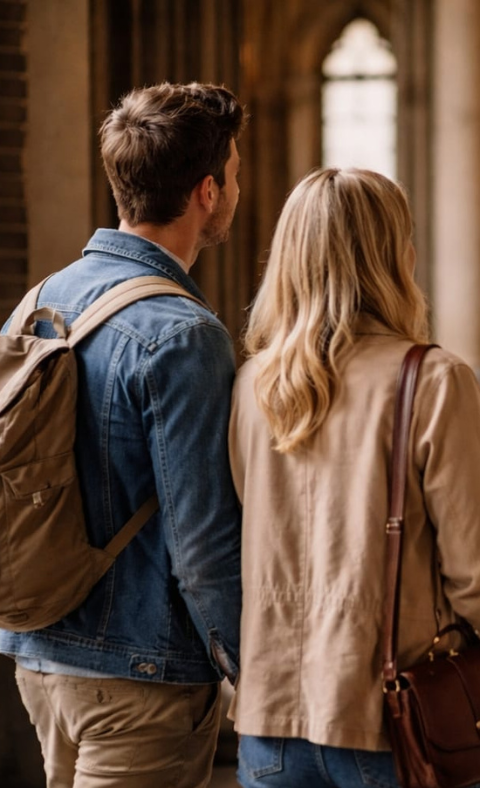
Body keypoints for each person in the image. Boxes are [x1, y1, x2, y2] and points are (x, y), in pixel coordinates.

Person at [229, 167, 480, 788]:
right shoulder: (433, 380)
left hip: (270, 718)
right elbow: (478, 564)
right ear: (396, 256)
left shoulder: (252, 384)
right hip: (389, 716)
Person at [0, 82, 246, 787]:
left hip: (39, 655)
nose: (236, 189)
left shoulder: (40, 301)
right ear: (206, 192)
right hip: (140, 673)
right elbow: (202, 544)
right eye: (233, 174)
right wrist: (253, 670)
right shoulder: (186, 335)